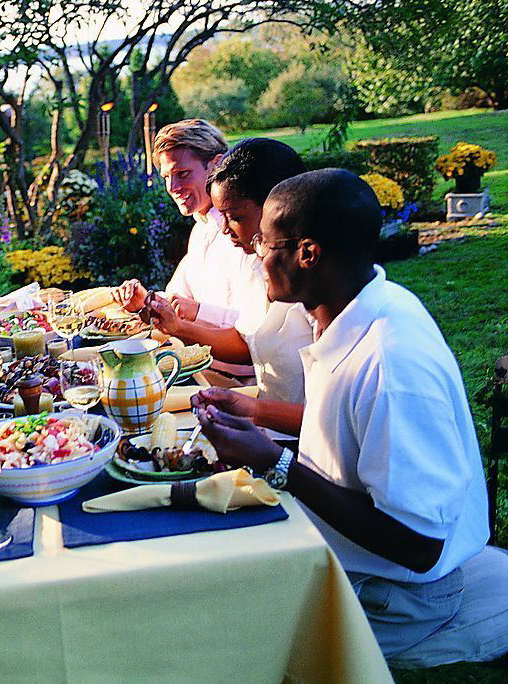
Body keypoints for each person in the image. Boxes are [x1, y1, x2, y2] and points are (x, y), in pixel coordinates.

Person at [192, 169, 508, 667]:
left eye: (265, 244)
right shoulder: (351, 311)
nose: (255, 255)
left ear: (308, 253)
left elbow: (419, 545)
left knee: (210, 636)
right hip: (348, 559)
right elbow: (350, 443)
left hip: (398, 597)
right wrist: (257, 424)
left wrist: (277, 464)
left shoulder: (391, 360)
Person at [144, 138, 313, 404]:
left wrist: (251, 411)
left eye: (234, 217)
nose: (224, 228)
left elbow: (321, 415)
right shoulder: (255, 256)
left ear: (276, 206)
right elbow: (247, 338)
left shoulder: (307, 282)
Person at [114, 118, 253, 329]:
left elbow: (254, 327)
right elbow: (176, 299)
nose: (172, 187)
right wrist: (144, 300)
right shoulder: (200, 230)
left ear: (216, 165)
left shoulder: (245, 233)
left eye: (182, 174)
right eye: (166, 177)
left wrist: (196, 311)